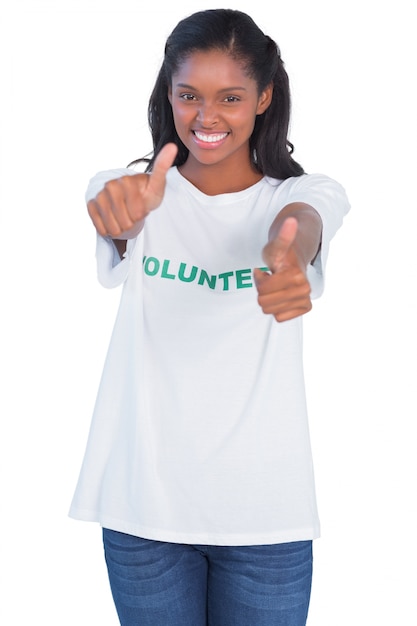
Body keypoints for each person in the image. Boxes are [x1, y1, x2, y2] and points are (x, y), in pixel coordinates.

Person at [69, 8, 350, 625]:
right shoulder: (128, 190)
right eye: (189, 95)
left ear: (265, 97)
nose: (207, 116)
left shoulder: (299, 196)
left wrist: (288, 255)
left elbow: (303, 219)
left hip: (266, 523)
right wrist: (120, 217)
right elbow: (115, 213)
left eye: (230, 97)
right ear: (167, 95)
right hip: (143, 513)